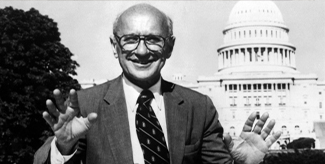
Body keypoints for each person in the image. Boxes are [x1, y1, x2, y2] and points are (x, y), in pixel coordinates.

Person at [34, 3, 281, 164]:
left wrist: (243, 163)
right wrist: (63, 148)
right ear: (115, 46)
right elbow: (40, 160)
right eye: (130, 40)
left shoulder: (198, 107)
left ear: (170, 47)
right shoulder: (87, 104)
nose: (142, 51)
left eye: (153, 40)